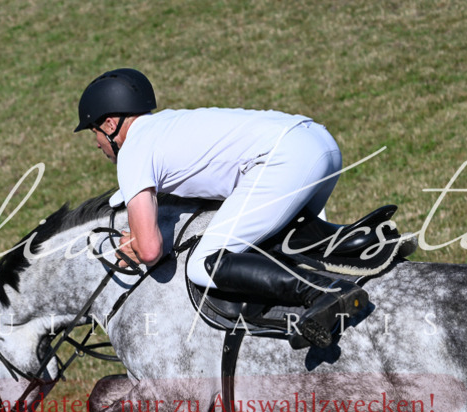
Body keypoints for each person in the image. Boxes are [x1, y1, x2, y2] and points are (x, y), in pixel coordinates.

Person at [74, 68, 369, 348]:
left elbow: (150, 250)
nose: (97, 143)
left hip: (287, 159)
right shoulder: (167, 125)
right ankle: (362, 241)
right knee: (278, 240)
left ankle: (322, 293)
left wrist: (133, 249)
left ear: (110, 124)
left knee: (204, 263)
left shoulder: (133, 151)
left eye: (94, 131)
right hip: (319, 141)